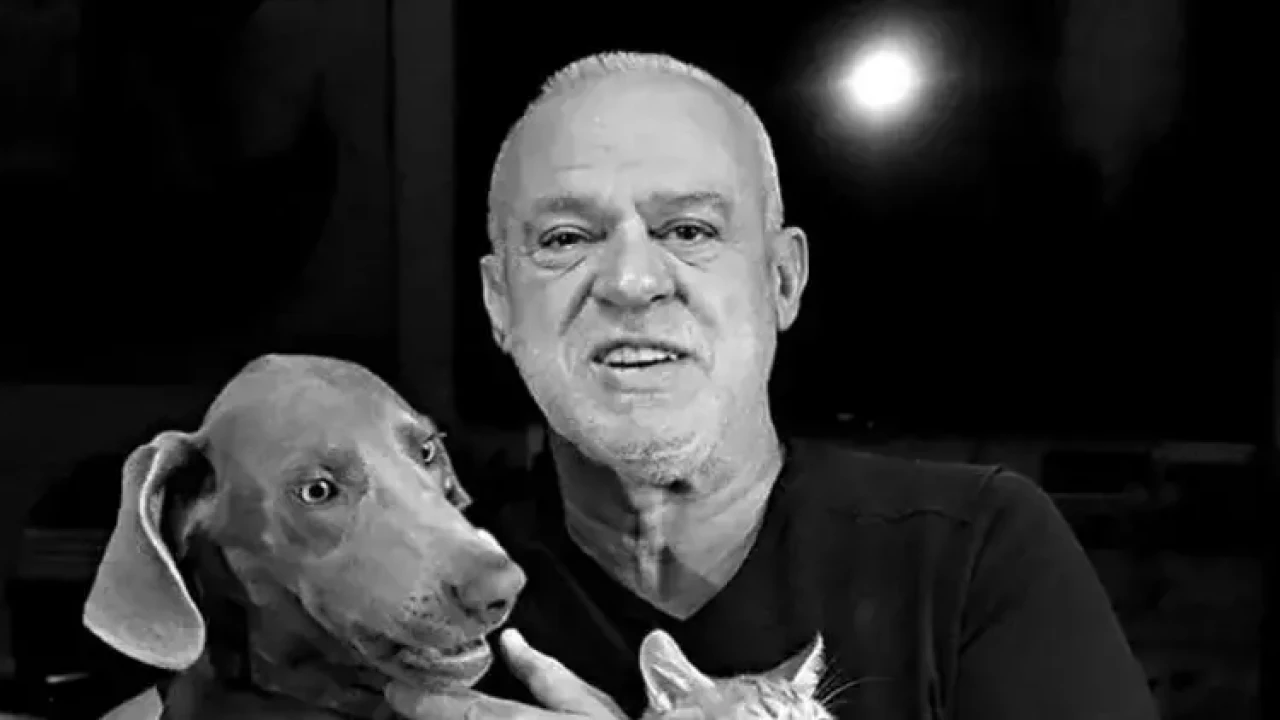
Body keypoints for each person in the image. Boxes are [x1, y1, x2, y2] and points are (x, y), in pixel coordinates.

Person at [389, 51, 1158, 720]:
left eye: (688, 230)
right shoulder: (417, 587)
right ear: (499, 304)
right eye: (565, 238)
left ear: (783, 280)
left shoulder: (975, 551)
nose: (630, 281)